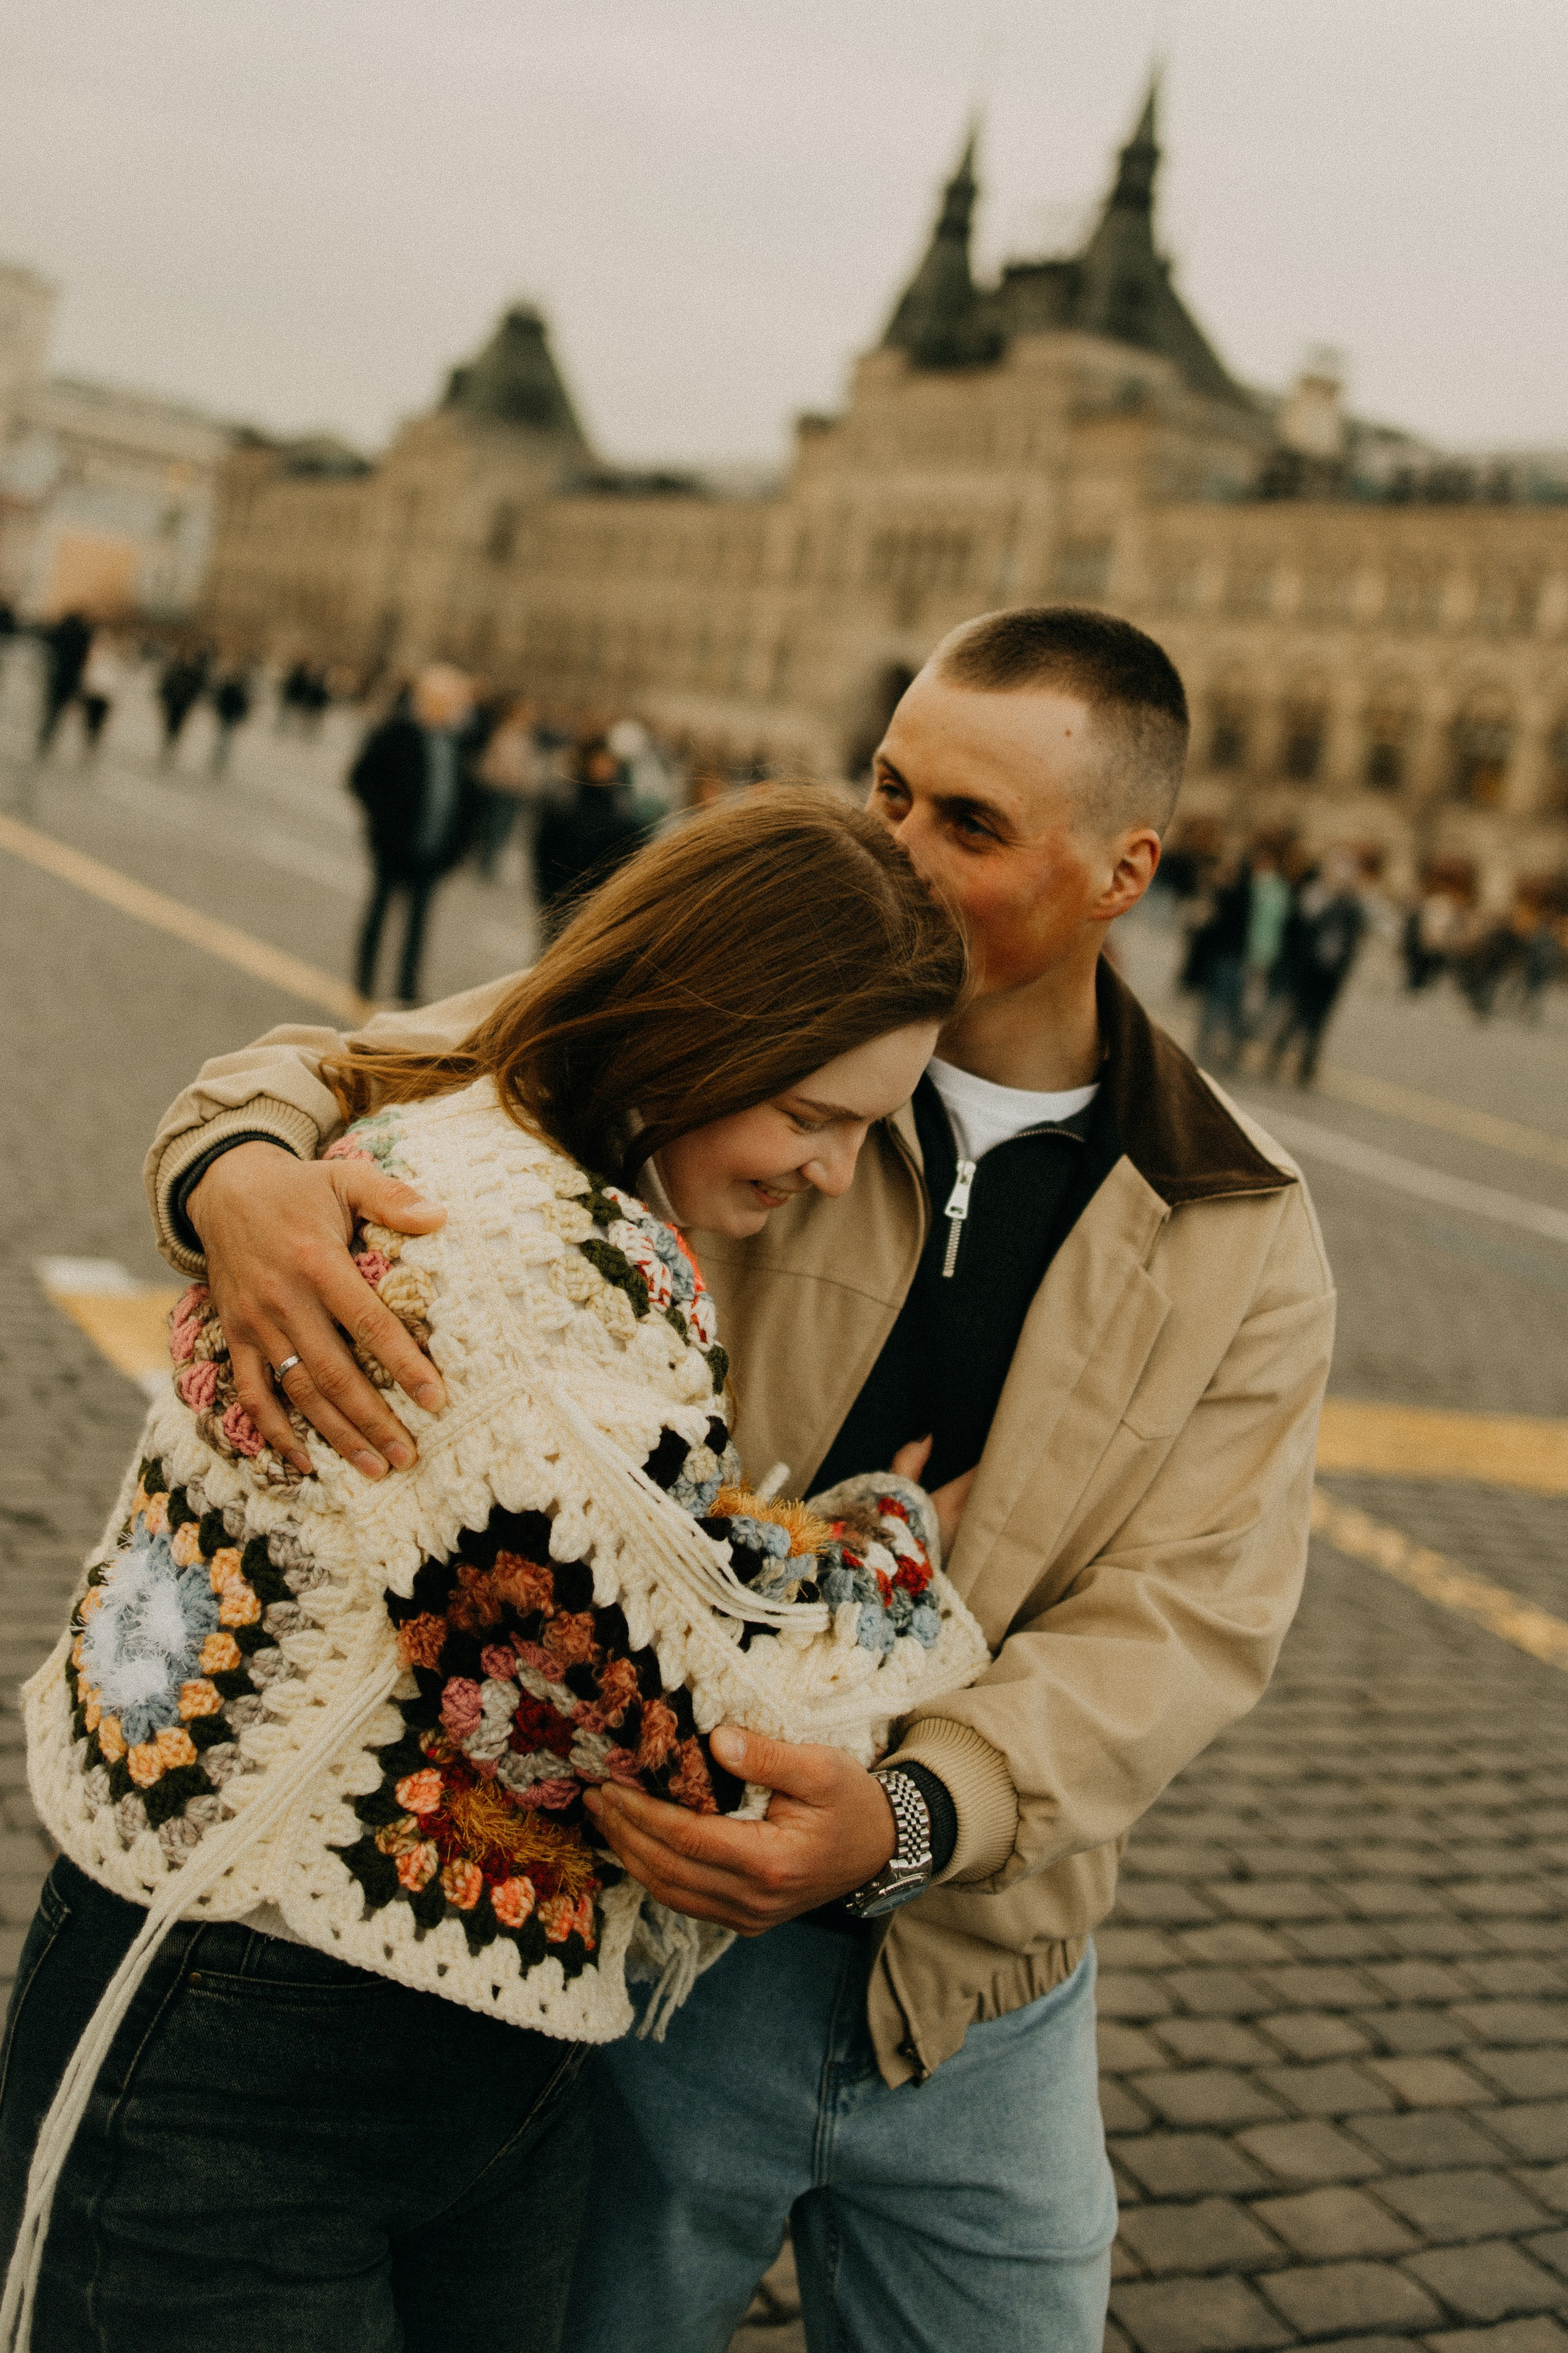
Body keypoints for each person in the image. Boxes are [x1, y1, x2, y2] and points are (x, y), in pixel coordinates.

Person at [141, 606, 1334, 2353]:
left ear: (1123, 869)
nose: (900, 860)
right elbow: (347, 1073)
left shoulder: (1240, 1213)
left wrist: (916, 1818)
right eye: (891, 789)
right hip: (650, 1935)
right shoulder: (754, 1021)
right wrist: (237, 1168)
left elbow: (1190, 1618)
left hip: (984, 1982)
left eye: (972, 826)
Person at [0, 793, 973, 2353]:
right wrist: (886, 1556)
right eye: (811, 1110)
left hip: (411, 2011)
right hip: (259, 2016)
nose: (835, 1172)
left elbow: (587, 1570)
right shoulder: (520, 1240)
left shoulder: (516, 1166)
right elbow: (645, 1722)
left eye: (868, 1129)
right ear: (693, 1022)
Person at [350, 664, 483, 1006]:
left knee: (419, 925)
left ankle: (407, 989)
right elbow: (361, 778)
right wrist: (385, 823)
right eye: (440, 700)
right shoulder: (396, 733)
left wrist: (458, 846)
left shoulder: (460, 743)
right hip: (394, 846)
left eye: (452, 701)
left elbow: (469, 798)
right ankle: (364, 981)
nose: (447, 707)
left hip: (434, 849)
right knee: (379, 913)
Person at [1266, 850, 1368, 1084]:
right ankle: (1276, 1056)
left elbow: (1352, 942)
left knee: (1318, 1023)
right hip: (1308, 970)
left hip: (1331, 975)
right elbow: (1299, 928)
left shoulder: (1353, 907)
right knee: (1295, 1016)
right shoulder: (1317, 896)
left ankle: (1306, 1067)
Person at [533, 738, 649, 937]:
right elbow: (545, 847)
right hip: (562, 894)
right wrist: (548, 893)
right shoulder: (566, 799)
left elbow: (629, 853)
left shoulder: (622, 807)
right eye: (598, 762)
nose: (602, 768)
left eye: (608, 763)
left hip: (599, 899)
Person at [34, 611, 92, 755]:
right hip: (71, 678)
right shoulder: (84, 635)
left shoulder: (61, 631)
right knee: (59, 710)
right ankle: (51, 735)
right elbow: (84, 659)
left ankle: (45, 735)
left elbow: (48, 642)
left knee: (50, 709)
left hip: (56, 676)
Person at [157, 646, 209, 764]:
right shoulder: (176, 667)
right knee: (169, 723)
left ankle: (171, 746)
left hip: (185, 704)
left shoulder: (196, 673)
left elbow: (199, 689)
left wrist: (194, 700)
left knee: (179, 725)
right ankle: (167, 743)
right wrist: (164, 695)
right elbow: (166, 681)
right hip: (172, 701)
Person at [208, 665, 252, 776]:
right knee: (223, 739)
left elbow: (244, 705)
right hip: (226, 715)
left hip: (230, 717)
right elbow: (220, 699)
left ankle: (219, 760)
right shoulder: (230, 687)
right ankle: (218, 760)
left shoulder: (239, 689)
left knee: (225, 739)